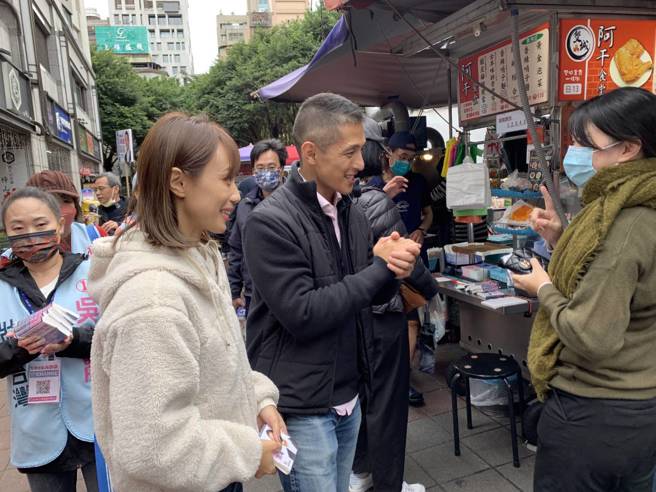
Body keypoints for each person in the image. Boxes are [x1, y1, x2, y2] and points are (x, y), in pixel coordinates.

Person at [88, 112, 283, 492]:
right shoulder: (153, 300)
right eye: (225, 178)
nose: (235, 193)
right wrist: (247, 450)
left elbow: (218, 362)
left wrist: (259, 400)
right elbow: (154, 446)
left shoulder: (198, 256)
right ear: (178, 182)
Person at [244, 93, 421, 492]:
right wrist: (379, 269)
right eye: (350, 152)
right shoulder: (270, 223)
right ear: (310, 152)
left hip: (349, 394)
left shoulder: (351, 212)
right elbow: (304, 314)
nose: (361, 164)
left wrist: (393, 270)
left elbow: (365, 298)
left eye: (362, 150)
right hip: (303, 405)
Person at [512, 87, 656, 492]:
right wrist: (562, 242)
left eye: (585, 144)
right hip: (639, 409)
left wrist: (544, 288)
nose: (575, 155)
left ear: (628, 148)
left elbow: (593, 333)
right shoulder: (636, 207)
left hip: (595, 412)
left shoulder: (626, 223)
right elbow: (622, 284)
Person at [349, 118, 438, 492]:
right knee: (387, 404)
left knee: (362, 400)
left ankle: (360, 472)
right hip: (382, 317)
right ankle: (390, 484)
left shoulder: (345, 197)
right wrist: (433, 292)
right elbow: (407, 262)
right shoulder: (376, 201)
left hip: (352, 315)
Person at [0, 187, 98, 492]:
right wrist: (16, 351)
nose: (30, 235)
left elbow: (119, 338)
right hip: (37, 429)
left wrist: (74, 341)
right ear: (6, 232)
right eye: (18, 228)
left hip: (97, 421)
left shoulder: (93, 273)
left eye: (41, 225)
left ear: (59, 225)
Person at [368, 131, 433, 406]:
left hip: (413, 260)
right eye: (402, 157)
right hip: (384, 264)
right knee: (389, 321)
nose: (406, 162)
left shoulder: (417, 182)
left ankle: (403, 379)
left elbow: (429, 213)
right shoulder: (371, 185)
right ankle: (387, 377)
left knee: (412, 321)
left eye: (411, 158)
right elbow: (363, 221)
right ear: (388, 154)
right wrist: (384, 194)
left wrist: (420, 229)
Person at [228, 139, 287, 311]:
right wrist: (234, 290)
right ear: (253, 171)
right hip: (253, 293)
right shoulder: (244, 206)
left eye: (271, 167)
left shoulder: (295, 203)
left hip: (287, 290)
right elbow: (236, 249)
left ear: (281, 169)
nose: (265, 173)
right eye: (260, 168)